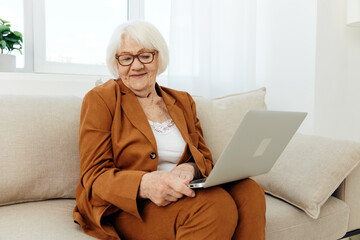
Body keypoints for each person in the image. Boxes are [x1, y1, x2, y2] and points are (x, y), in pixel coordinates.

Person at [73, 20, 266, 240]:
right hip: (128, 205)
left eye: (145, 56)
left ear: (159, 58)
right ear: (116, 63)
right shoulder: (101, 99)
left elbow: (204, 157)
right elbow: (94, 176)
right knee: (216, 206)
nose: (136, 66)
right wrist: (146, 185)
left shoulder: (182, 101)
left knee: (250, 191)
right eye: (126, 58)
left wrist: (190, 169)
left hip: (180, 192)